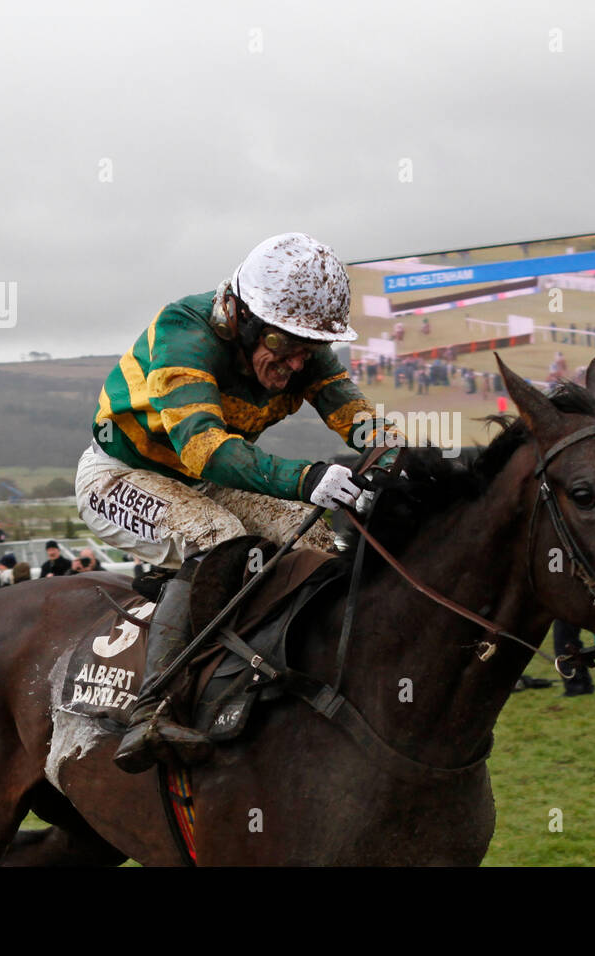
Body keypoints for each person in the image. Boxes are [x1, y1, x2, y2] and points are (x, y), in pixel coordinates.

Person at [75, 232, 401, 772]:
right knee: (218, 535)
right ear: (243, 320)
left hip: (204, 479)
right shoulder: (184, 331)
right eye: (284, 347)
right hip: (120, 476)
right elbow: (204, 448)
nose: (297, 364)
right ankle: (152, 708)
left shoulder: (298, 343)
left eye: (308, 350)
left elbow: (357, 418)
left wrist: (398, 457)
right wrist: (308, 476)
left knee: (313, 535)